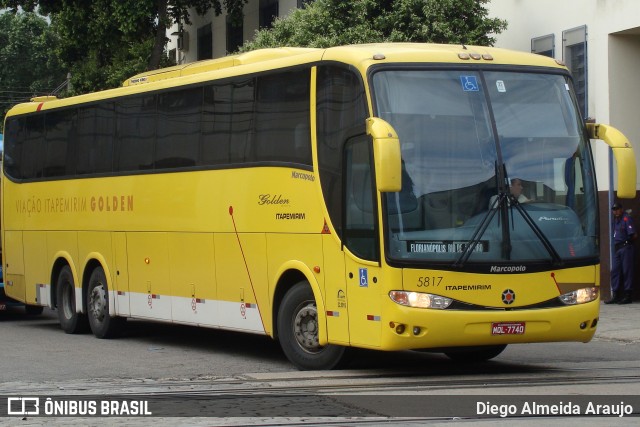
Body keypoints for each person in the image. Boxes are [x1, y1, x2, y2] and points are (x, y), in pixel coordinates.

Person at [605, 202, 637, 304]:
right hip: (617, 248)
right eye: (614, 210)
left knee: (627, 271)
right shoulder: (616, 220)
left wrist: (627, 243)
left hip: (625, 247)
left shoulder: (626, 218)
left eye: (617, 209)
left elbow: (633, 234)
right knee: (615, 271)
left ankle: (628, 295)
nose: (616, 211)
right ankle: (616, 295)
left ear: (621, 209)